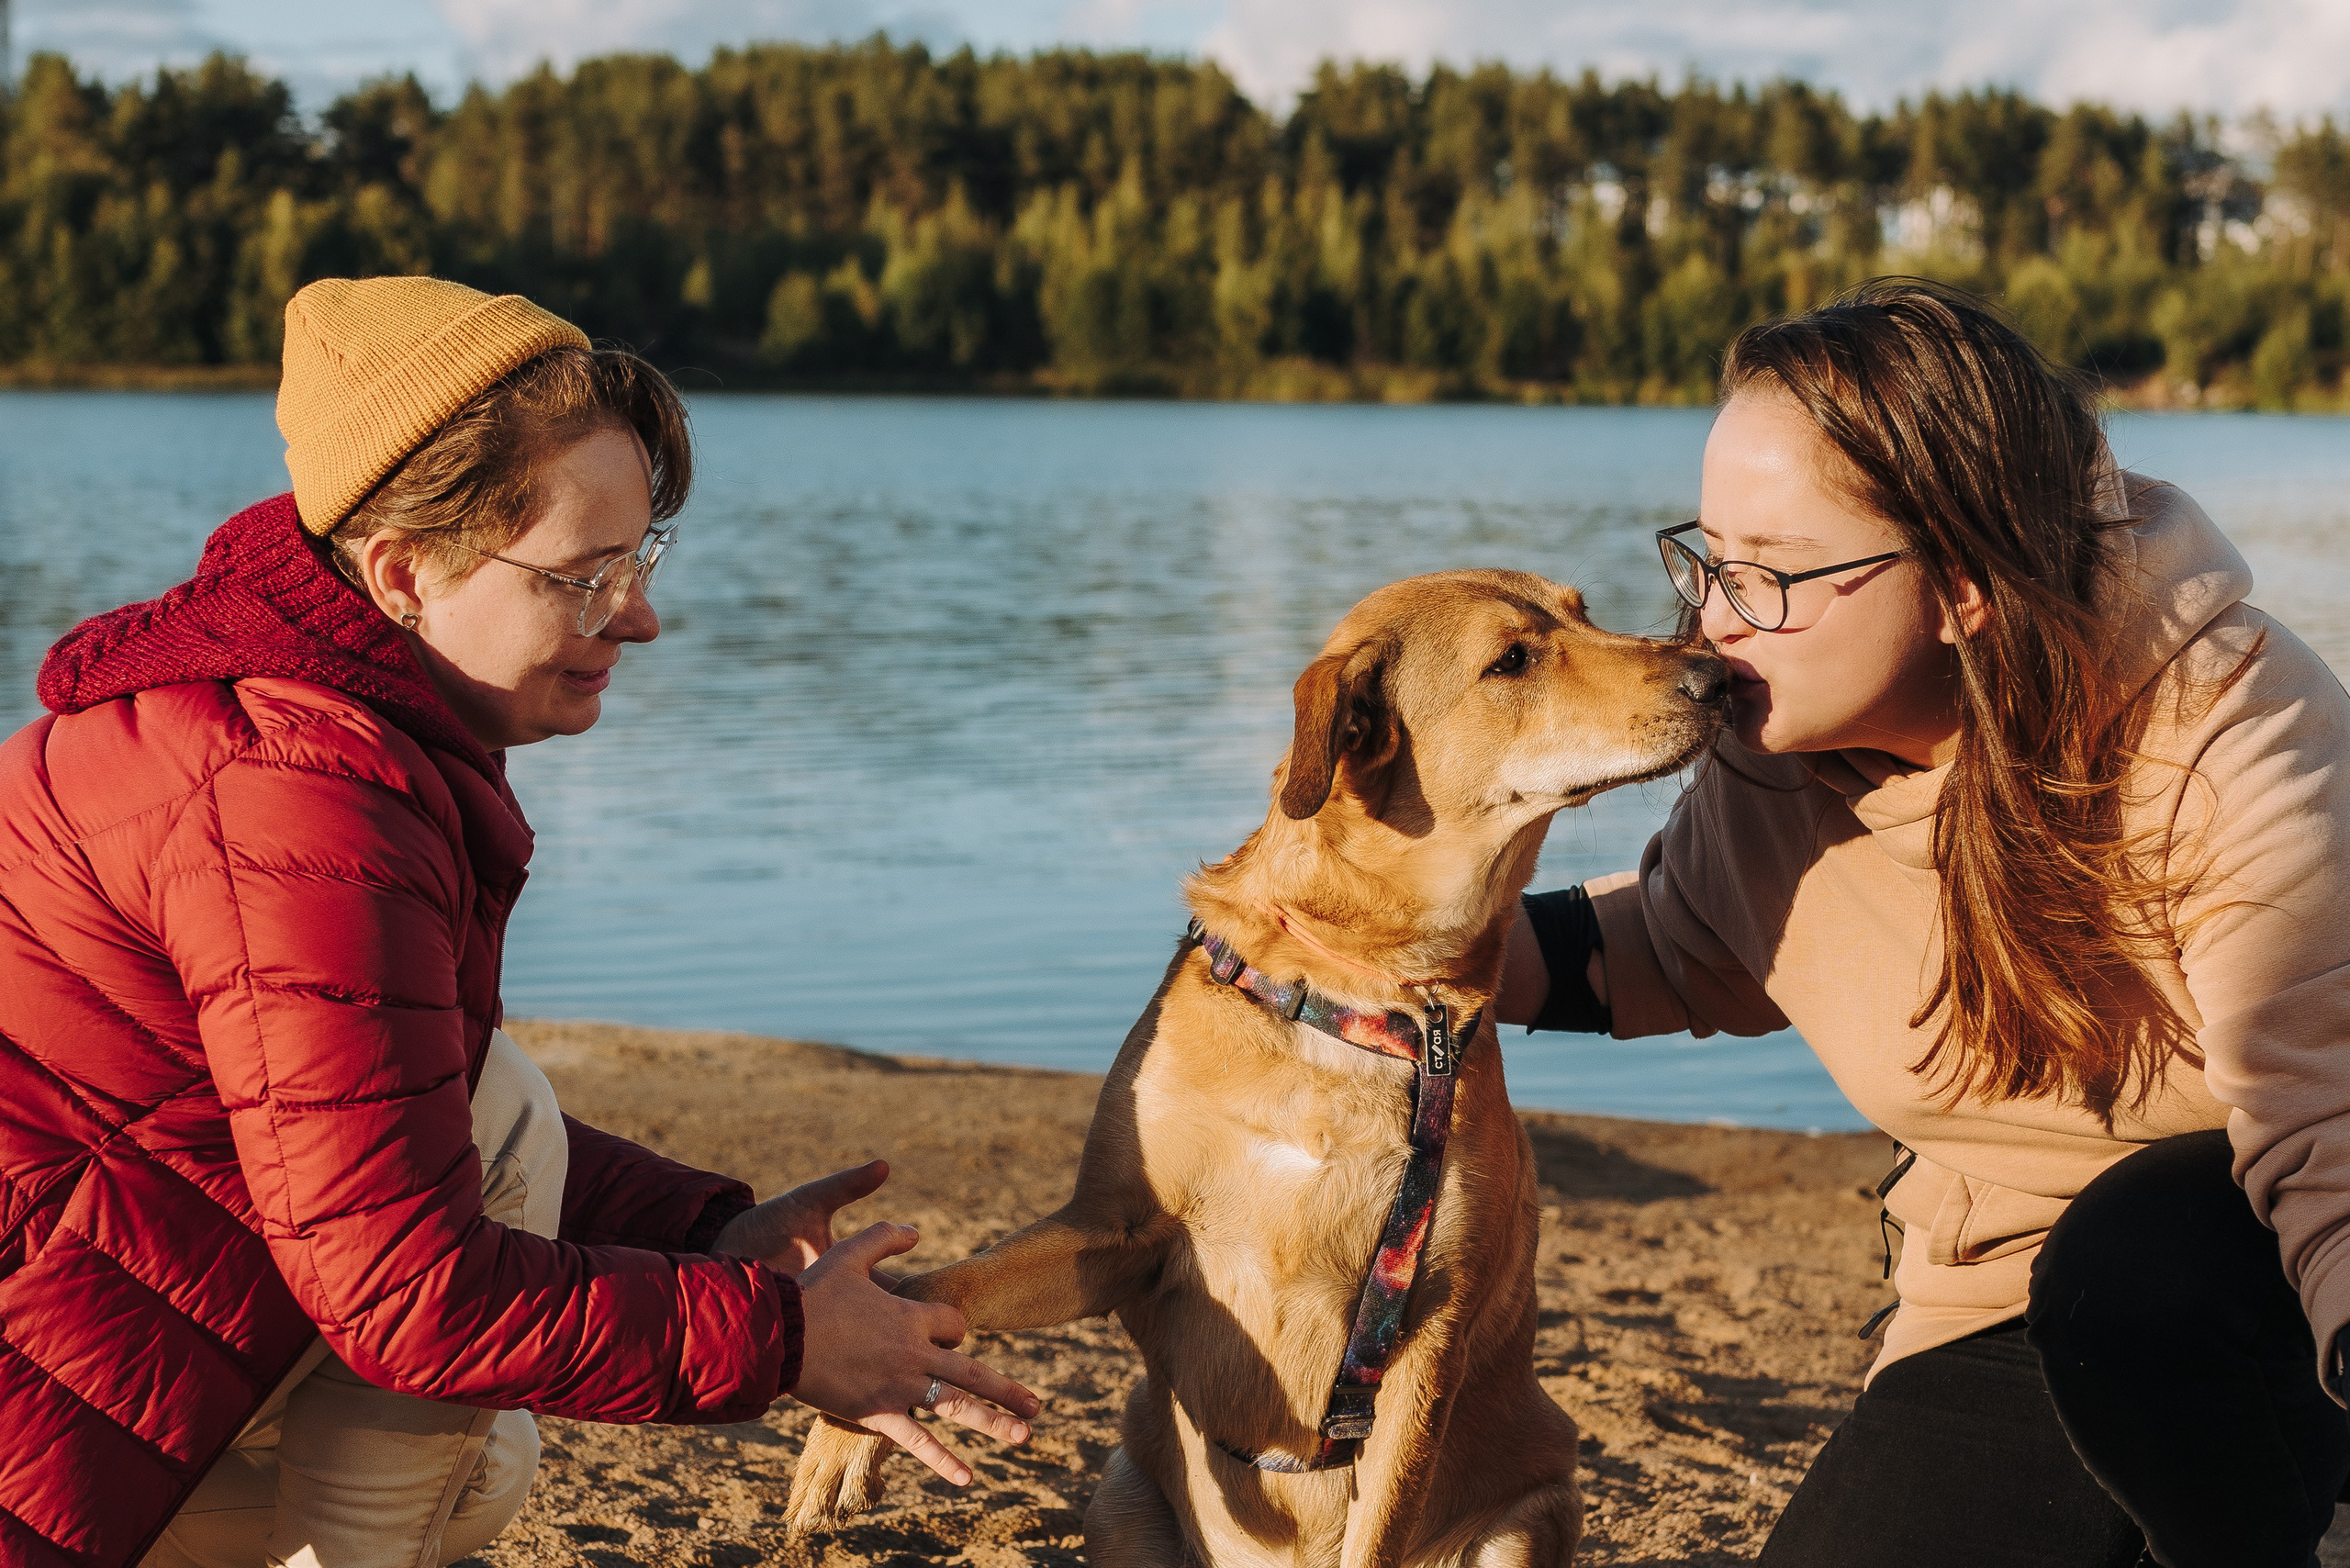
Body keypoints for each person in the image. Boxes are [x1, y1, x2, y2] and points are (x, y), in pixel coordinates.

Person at [0, 276, 1038, 1568]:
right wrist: (787, 1343)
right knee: (508, 1121)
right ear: (402, 574)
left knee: (484, 1466)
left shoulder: (312, 720)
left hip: (66, 1346)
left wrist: (709, 1238)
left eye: (641, 560)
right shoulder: (294, 796)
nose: (639, 618)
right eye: (584, 576)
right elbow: (404, 1289)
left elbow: (368, 1114)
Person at [1497, 279, 2350, 1567]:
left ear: (1961, 584)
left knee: (2133, 1267)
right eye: (1710, 558)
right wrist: (1379, 949)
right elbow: (1677, 946)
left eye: (1770, 573)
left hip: (2267, 1274)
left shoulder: (2229, 740)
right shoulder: (1778, 734)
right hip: (2007, 1288)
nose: (1714, 621)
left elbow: (2329, 1136)